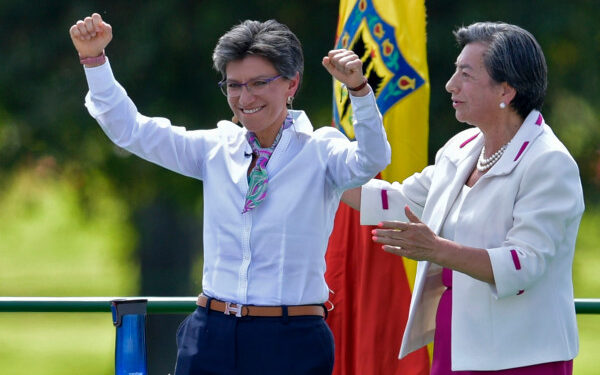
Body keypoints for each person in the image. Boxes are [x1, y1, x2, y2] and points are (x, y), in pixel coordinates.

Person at [69, 13, 390, 375]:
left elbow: (371, 159)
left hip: (292, 336)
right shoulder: (216, 148)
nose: (244, 97)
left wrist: (360, 91)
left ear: (291, 83)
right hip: (211, 331)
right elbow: (131, 131)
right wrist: (94, 61)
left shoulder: (321, 151)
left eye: (258, 83)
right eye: (233, 85)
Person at [341, 22, 584, 374]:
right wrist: (321, 175)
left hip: (525, 353)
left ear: (507, 89)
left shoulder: (550, 162)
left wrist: (436, 248)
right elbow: (396, 201)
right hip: (456, 340)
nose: (450, 85)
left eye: (465, 74)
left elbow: (523, 263)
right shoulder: (460, 147)